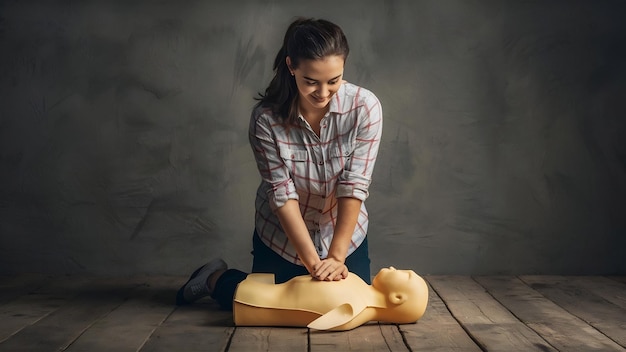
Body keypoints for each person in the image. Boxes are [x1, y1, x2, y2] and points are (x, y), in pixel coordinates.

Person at [176, 17, 383, 311]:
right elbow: (282, 195)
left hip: (342, 233)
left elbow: (354, 185)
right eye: (311, 81)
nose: (323, 93)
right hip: (282, 236)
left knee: (348, 305)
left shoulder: (365, 107)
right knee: (267, 308)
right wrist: (314, 264)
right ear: (291, 66)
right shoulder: (266, 119)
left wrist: (336, 259)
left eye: (333, 81)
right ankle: (214, 278)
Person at [233, 267, 428, 331]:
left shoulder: (355, 310)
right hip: (264, 290)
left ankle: (215, 279)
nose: (396, 268)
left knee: (234, 289)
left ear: (397, 298)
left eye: (406, 275)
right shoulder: (359, 286)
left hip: (252, 301)